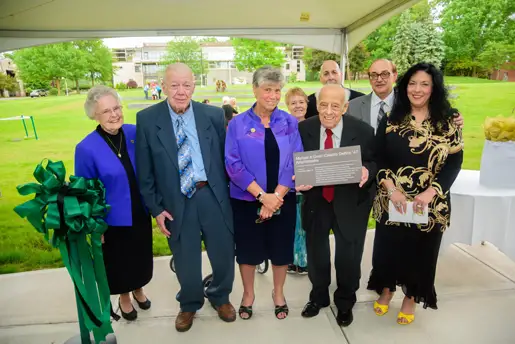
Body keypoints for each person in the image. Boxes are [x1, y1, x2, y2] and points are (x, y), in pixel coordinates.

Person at [135, 63, 236, 332]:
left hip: (212, 196)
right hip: (177, 202)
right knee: (185, 259)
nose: (181, 91)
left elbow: (228, 159)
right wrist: (156, 209)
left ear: (194, 85)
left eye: (187, 85)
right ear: (164, 86)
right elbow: (145, 173)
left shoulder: (213, 115)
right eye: (175, 85)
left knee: (224, 253)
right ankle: (190, 303)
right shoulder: (146, 119)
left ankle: (220, 296)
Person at [367, 62, 464, 325]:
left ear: (434, 88)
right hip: (393, 199)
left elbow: (454, 162)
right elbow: (379, 157)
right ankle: (386, 290)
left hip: (429, 204)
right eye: (412, 83)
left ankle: (411, 298)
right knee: (388, 249)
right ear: (404, 86)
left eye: (424, 84)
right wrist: (392, 189)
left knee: (420, 252)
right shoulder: (391, 118)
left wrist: (432, 192)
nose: (417, 89)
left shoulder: (448, 121)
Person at [225, 66, 303, 321]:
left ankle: (278, 293)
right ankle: (248, 295)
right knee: (247, 252)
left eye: (277, 90)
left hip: (283, 198)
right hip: (247, 200)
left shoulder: (289, 121)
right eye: (267, 89)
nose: (273, 95)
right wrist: (263, 197)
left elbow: (295, 161)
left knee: (281, 250)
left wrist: (276, 197)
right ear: (255, 89)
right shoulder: (237, 124)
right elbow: (233, 164)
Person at [297, 84, 376, 327]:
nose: (328, 111)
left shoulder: (363, 131)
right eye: (323, 105)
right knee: (317, 255)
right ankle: (318, 297)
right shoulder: (303, 129)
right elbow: (292, 161)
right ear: (316, 106)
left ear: (345, 107)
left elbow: (374, 162)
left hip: (350, 202)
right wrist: (297, 179)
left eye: (335, 106)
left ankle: (345, 302)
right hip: (316, 202)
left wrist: (367, 171)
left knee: (348, 257)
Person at [74, 85, 153, 322]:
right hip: (111, 218)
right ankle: (125, 297)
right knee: (120, 261)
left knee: (140, 255)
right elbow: (86, 191)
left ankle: (139, 289)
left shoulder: (135, 132)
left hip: (139, 210)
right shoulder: (86, 148)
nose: (114, 114)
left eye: (116, 108)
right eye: (106, 111)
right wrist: (95, 226)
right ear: (94, 115)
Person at [348, 59, 464, 131]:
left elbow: (437, 109)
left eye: (384, 74)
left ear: (395, 75)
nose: (379, 79)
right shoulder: (352, 107)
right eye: (374, 75)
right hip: (365, 168)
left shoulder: (411, 101)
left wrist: (454, 117)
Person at [284, 87, 309, 275]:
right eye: (293, 103)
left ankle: (306, 259)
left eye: (301, 102)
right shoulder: (284, 127)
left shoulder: (315, 127)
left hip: (309, 183)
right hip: (289, 183)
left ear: (307, 104)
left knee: (306, 224)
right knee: (293, 224)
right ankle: (293, 259)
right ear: (287, 106)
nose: (298, 106)